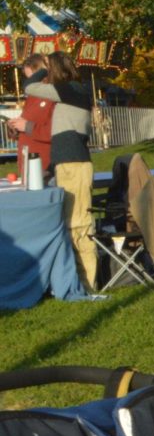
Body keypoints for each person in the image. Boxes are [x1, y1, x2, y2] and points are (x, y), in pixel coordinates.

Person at [25, 51, 95, 289]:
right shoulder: (73, 93)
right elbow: (63, 134)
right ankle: (78, 278)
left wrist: (42, 67)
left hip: (73, 165)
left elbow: (29, 86)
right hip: (68, 163)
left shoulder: (69, 90)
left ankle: (87, 282)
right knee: (73, 221)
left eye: (49, 70)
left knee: (78, 223)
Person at [6, 54, 55, 180]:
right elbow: (28, 124)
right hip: (29, 165)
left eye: (32, 79)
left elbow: (53, 132)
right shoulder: (33, 97)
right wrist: (15, 127)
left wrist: (26, 126)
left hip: (45, 166)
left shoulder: (54, 96)